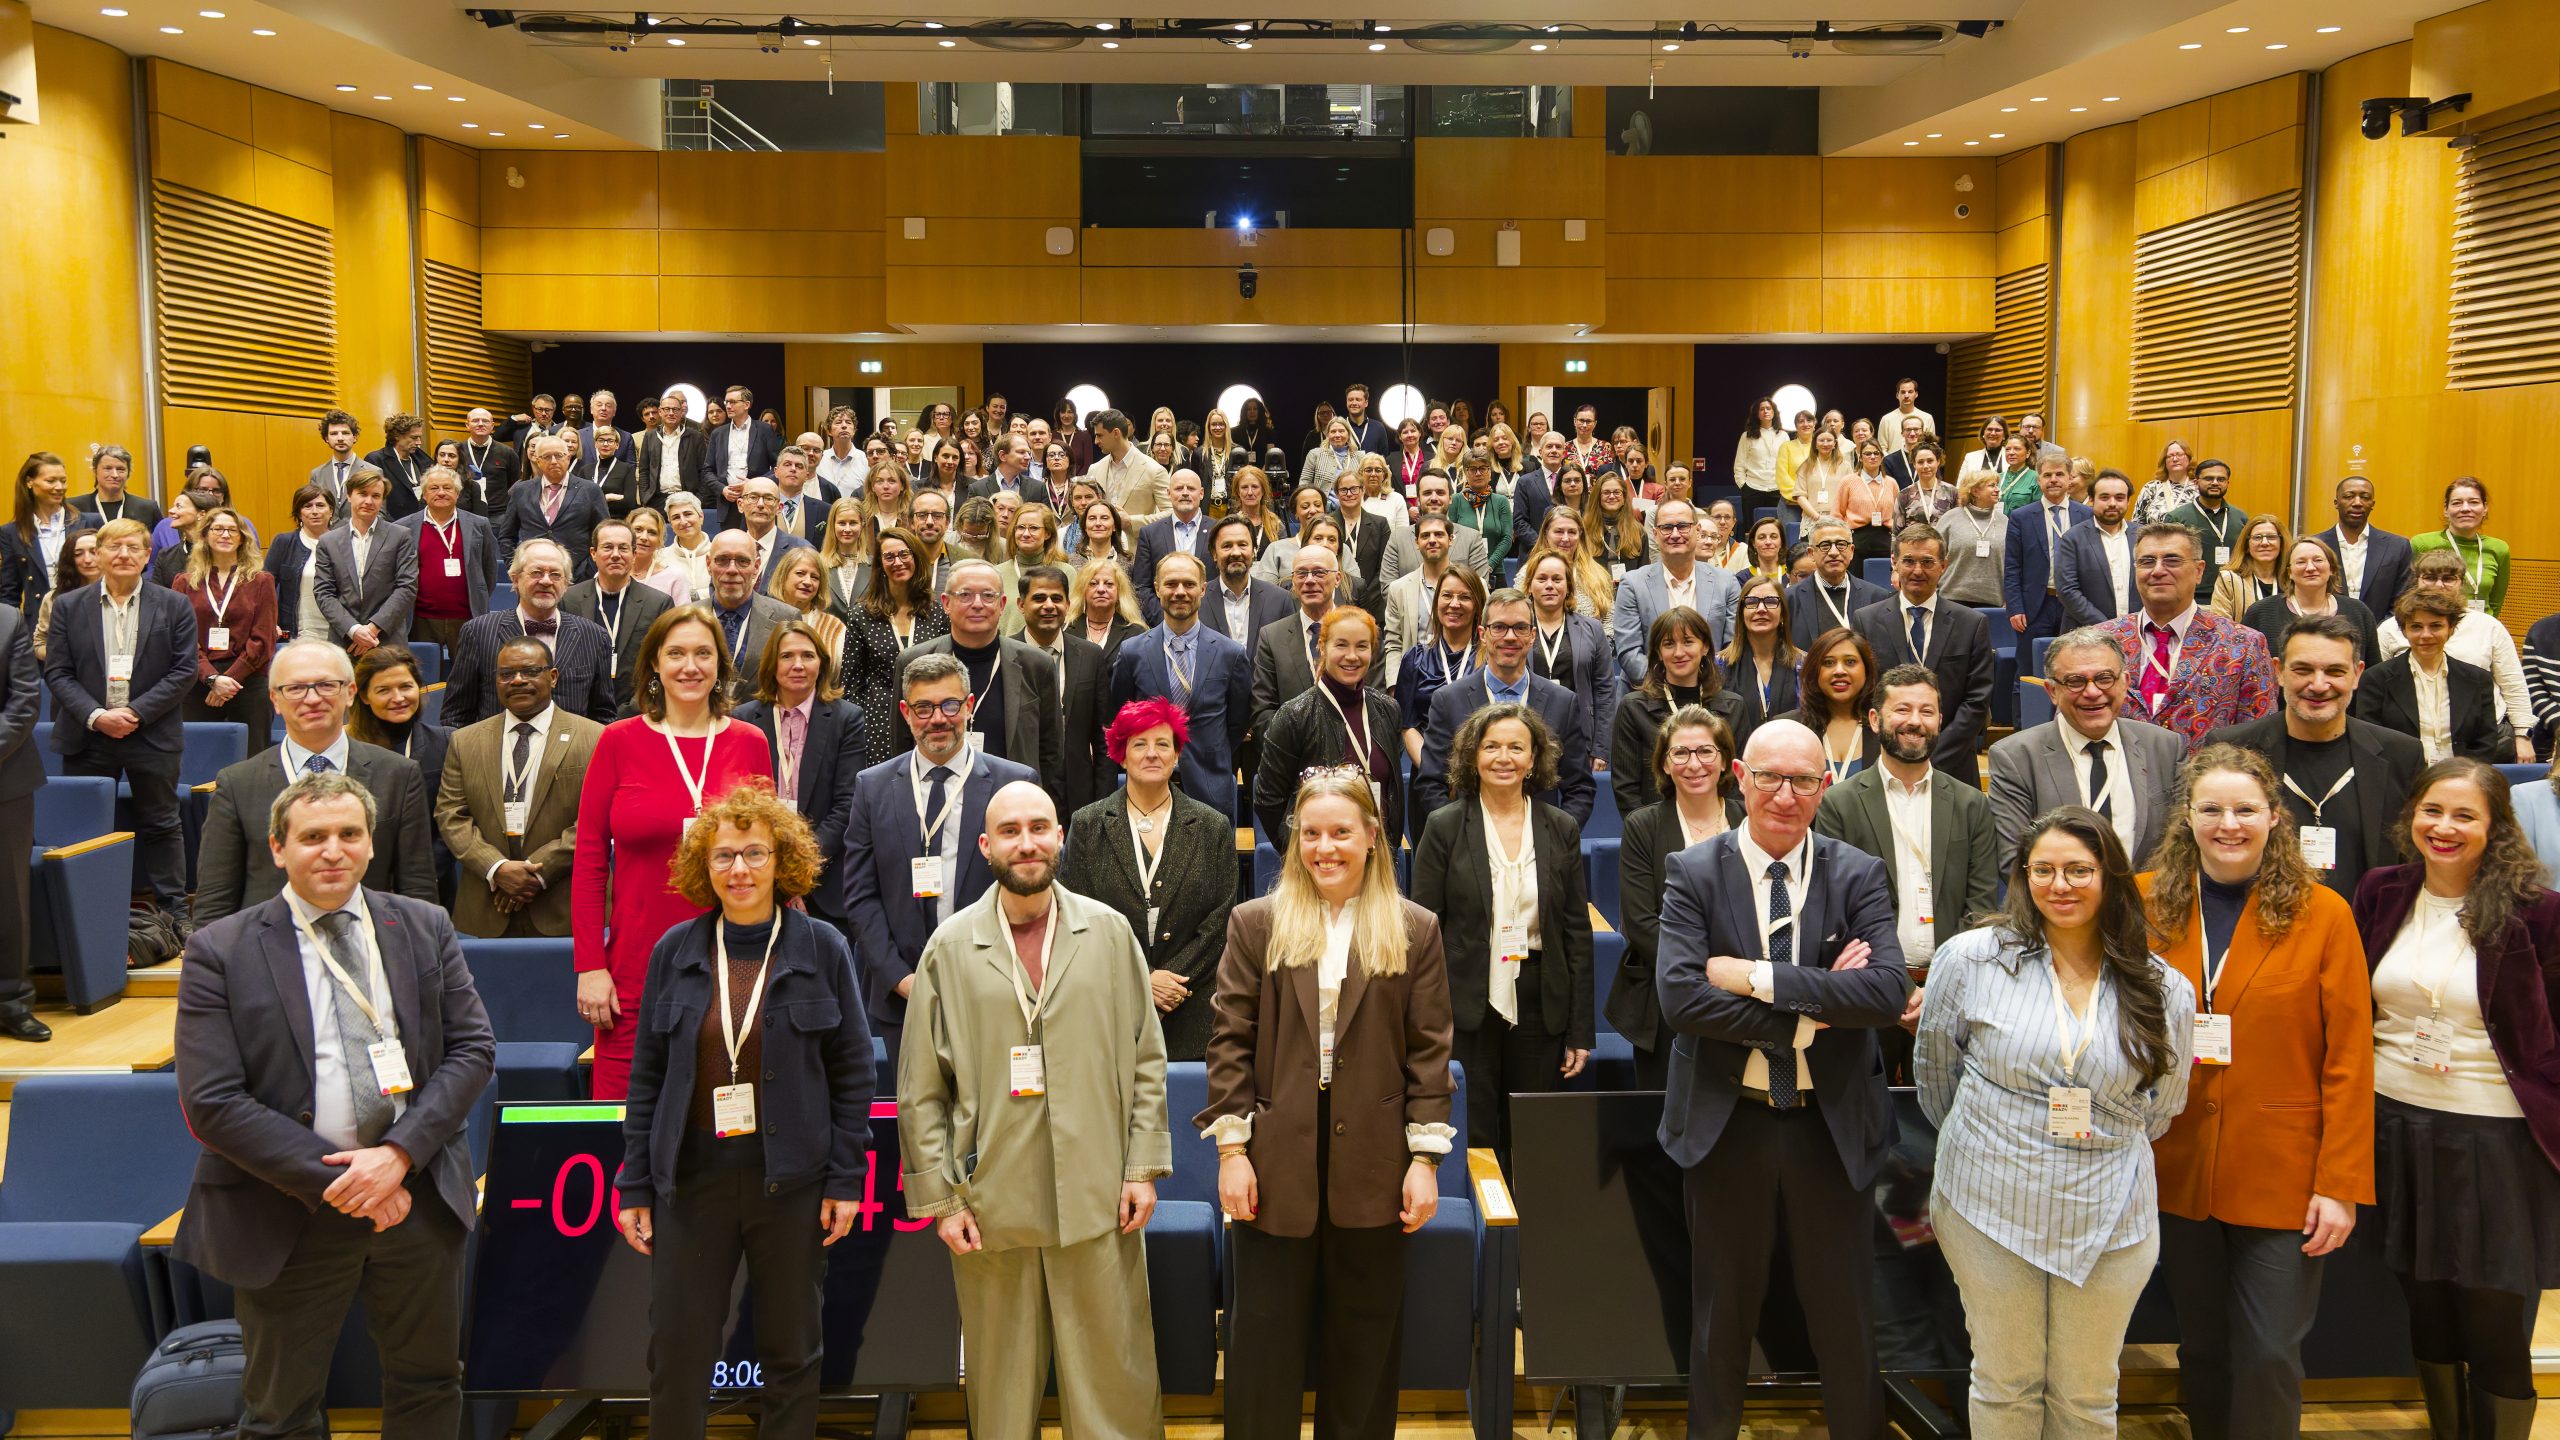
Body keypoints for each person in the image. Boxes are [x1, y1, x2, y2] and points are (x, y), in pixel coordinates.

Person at [172, 771, 495, 1440]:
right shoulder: (221, 950)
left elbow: (472, 1051)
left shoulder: (424, 926)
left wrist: (398, 1158)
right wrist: (352, 1181)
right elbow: (213, 1101)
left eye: (350, 834)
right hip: (288, 1207)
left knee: (431, 1385)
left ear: (371, 845)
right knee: (279, 1411)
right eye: (313, 836)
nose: (333, 850)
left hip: (418, 1197)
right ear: (277, 848)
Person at [1656, 717, 1911, 1440]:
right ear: (1741, 777)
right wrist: (1809, 1010)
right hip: (1726, 1123)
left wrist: (1756, 977)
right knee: (1719, 1321)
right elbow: (1681, 1000)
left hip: (1829, 1126)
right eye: (1769, 776)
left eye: (1803, 780)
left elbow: (1886, 993)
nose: (1785, 795)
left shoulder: (1856, 870)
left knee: (1846, 1323)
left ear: (1824, 786)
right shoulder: (1694, 872)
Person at [900, 779, 1170, 1440]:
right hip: (991, 1199)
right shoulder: (950, 949)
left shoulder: (1108, 935)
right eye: (1012, 831)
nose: (1027, 843)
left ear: (1060, 837)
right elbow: (921, 1090)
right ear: (987, 845)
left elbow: (1146, 1061)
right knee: (1000, 1391)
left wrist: (1141, 1167)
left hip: (1099, 1191)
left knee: (1115, 1382)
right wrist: (944, 1200)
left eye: (1039, 827)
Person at [1915, 807, 2193, 1440]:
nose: (2059, 885)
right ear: (2022, 875)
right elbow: (1937, 1076)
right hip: (1988, 1201)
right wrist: (1999, 1135)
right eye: (2043, 869)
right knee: (2004, 1384)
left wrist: (2093, 1141)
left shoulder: (2161, 985)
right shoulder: (1971, 959)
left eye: (2078, 870)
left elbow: (2165, 1104)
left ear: (2111, 877)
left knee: (2088, 1395)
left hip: (2110, 1211)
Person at [613, 780, 875, 1440]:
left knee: (791, 1351)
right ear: (703, 867)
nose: (740, 869)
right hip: (691, 1179)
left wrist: (847, 1178)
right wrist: (634, 1181)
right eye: (724, 855)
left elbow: (852, 1073)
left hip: (790, 1178)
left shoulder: (823, 948)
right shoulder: (675, 950)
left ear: (782, 861)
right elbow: (646, 1078)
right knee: (677, 1351)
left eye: (755, 853)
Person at [1200, 770, 1456, 1440]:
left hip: (1375, 1162)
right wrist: (1233, 1150)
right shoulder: (1255, 923)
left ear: (1372, 837)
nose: (1325, 848)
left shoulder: (1415, 928)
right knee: (1262, 1349)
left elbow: (1430, 1052)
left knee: (1364, 1349)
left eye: (1341, 832)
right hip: (1274, 1158)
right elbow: (1229, 1041)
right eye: (1311, 834)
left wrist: (1424, 1161)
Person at [2134, 744, 2373, 1440]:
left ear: (2275, 817)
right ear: (2189, 818)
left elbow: (2350, 1059)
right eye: (2212, 809)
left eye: (2245, 809)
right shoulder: (2144, 899)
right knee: (2203, 1349)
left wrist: (2341, 1183)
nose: (2228, 824)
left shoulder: (2325, 914)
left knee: (2269, 1352)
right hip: (2175, 1166)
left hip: (2286, 1173)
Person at [2352, 759, 2560, 1439]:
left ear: (2495, 826)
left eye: (2465, 815)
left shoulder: (2539, 911)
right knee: (2428, 1307)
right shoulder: (2380, 892)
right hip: (2395, 1126)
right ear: (2411, 815)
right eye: (2432, 810)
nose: (2444, 827)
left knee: (2495, 1318)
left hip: (2496, 1137)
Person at [572, 606, 776, 1100]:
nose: (691, 666)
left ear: (720, 667)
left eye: (704, 653)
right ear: (654, 667)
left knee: (723, 1111)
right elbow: (589, 859)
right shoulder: (618, 740)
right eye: (677, 653)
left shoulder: (749, 742)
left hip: (734, 959)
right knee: (625, 1114)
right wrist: (589, 966)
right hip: (635, 963)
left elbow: (772, 859)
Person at [1411, 703, 1592, 1161]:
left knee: (1532, 1134)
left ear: (1535, 759)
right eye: (1492, 746)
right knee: (1472, 1130)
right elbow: (1422, 931)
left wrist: (1579, 1029)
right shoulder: (1445, 825)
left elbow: (1575, 933)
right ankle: (1485, 1228)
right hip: (1464, 996)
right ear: (1474, 756)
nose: (1504, 757)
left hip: (1539, 996)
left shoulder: (1561, 827)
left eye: (1517, 747)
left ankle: (1528, 1229)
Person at [843, 653, 1039, 1068]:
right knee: (917, 1123)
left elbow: (1030, 893)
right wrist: (901, 979)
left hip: (994, 989)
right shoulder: (872, 787)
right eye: (924, 708)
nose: (938, 719)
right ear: (905, 713)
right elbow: (860, 897)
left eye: (950, 705)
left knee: (993, 1123)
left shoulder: (1014, 782)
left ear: (969, 708)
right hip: (903, 998)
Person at [193, 639, 437, 927]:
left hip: (366, 952)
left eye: (326, 685)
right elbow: (214, 906)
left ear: (350, 693)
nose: (312, 699)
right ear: (275, 700)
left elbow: (418, 890)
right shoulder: (237, 784)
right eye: (295, 688)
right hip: (268, 957)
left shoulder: (399, 774)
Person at [1811, 664, 2001, 1012]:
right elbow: (1835, 906)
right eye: (1902, 709)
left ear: (1939, 721)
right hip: (1866, 988)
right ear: (1873, 719)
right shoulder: (1839, 804)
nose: (1915, 721)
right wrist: (1893, 986)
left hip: (1952, 989)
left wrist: (1943, 984)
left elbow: (1981, 908)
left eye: (1926, 711)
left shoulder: (1971, 803)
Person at [1059, 699, 1236, 1061]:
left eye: (1162, 744)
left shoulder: (1212, 826)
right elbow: (1077, 917)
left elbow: (1220, 921)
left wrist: (1172, 980)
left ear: (1177, 756)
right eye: (1139, 744)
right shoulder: (1088, 824)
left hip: (1192, 1002)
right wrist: (1142, 978)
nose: (1151, 754)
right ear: (1121, 756)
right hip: (1111, 1003)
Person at [2206, 613, 2425, 900]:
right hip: (2257, 926)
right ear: (2279, 672)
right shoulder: (2231, 749)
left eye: (2335, 671)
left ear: (2357, 674)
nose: (2319, 685)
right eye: (2303, 670)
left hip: (2365, 936)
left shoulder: (2402, 755)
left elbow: (2413, 863)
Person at [42, 517, 194, 918]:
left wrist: (135, 713)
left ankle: (174, 914)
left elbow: (183, 671)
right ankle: (90, 914)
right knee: (87, 830)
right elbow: (57, 672)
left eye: (133, 547)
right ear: (99, 555)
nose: (124, 554)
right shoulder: (69, 606)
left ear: (148, 555)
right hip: (87, 735)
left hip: (152, 733)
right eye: (114, 547)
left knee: (162, 824)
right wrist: (95, 715)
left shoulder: (174, 604)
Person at [435, 637, 603, 939]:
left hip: (566, 907)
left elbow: (597, 820)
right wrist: (497, 868)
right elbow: (451, 815)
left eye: (530, 671)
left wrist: (536, 872)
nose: (517, 681)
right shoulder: (465, 741)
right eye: (506, 674)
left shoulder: (594, 737)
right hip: (485, 910)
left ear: (552, 677)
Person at [1612, 706, 1744, 1085]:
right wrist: (1708, 973)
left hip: (1746, 994)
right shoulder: (1644, 825)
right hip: (1667, 995)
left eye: (1705, 751)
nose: (1694, 763)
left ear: (1724, 762)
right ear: (1665, 765)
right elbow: (1640, 924)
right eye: (1680, 753)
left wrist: (1740, 976)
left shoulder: (1749, 820)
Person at [1987, 627, 2188, 867]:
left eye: (2104, 678)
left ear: (2124, 683)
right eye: (2075, 681)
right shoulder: (2016, 758)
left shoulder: (2165, 747)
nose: (2092, 692)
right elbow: (2015, 862)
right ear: (2052, 691)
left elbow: (2181, 849)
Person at [1414, 587, 1594, 826]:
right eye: (1499, 627)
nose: (1510, 637)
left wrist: (1555, 838)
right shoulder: (1448, 700)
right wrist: (1461, 837)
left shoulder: (1563, 702)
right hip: (1470, 848)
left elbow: (1579, 788)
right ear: (1482, 634)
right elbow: (1430, 784)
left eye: (1519, 628)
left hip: (1540, 849)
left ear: (1532, 636)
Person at [733, 621, 864, 938]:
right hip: (754, 874)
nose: (798, 665)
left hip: (824, 881)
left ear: (822, 662)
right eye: (787, 656)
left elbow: (847, 806)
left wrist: (797, 871)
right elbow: (738, 803)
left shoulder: (847, 718)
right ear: (772, 664)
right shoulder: (743, 719)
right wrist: (769, 868)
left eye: (808, 655)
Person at [2097, 524, 2276, 750]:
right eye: (2147, 561)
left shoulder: (2243, 644)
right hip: (2118, 780)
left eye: (2172, 560)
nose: (2158, 570)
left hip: (2204, 780)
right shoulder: (2101, 641)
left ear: (2199, 571)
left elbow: (2260, 738)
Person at [892, 558, 1063, 789]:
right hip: (935, 795)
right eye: (965, 595)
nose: (977, 604)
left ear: (1002, 604)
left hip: (1011, 799)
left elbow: (1051, 753)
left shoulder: (1036, 664)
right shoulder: (913, 661)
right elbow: (902, 747)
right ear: (946, 603)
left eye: (988, 595)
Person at [1253, 606, 1406, 862]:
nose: (1352, 656)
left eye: (1362, 646)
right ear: (1322, 647)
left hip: (1378, 859)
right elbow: (1268, 801)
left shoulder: (1388, 710)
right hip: (1322, 861)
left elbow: (1392, 789)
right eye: (1341, 645)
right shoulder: (1294, 716)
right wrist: (1304, 857)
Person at [1109, 553, 1251, 822]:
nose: (1180, 592)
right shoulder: (1133, 652)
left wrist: (1209, 748)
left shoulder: (1230, 654)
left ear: (1203, 588)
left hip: (1209, 789)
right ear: (1157, 588)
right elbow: (1120, 714)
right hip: (1147, 789)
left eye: (1188, 584)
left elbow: (1237, 723)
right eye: (1171, 584)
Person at [1852, 525, 1993, 786]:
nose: (1917, 570)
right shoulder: (1866, 620)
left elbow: (1976, 701)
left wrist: (1932, 754)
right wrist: (1897, 749)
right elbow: (1863, 695)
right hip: (1886, 762)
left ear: (1944, 565)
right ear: (1894, 563)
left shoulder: (1972, 624)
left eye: (1928, 562)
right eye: (1908, 561)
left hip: (1952, 765)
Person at [440, 540, 619, 730]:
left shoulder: (594, 637)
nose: (546, 581)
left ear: (566, 584)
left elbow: (603, 716)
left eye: (556, 574)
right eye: (537, 572)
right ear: (515, 578)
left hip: (571, 757)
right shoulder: (478, 632)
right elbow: (456, 716)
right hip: (497, 755)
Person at [2379, 549, 2536, 759]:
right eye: (2430, 577)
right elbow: (2380, 684)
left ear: (2461, 583)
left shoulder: (2488, 626)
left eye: (2448, 578)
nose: (2439, 585)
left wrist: (2522, 735)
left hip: (2481, 739)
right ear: (2417, 581)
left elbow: (2512, 683)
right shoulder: (2391, 628)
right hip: (2411, 739)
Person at [1611, 605, 1744, 817]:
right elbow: (1626, 788)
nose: (1679, 652)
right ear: (1658, 652)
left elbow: (1738, 782)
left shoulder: (1733, 707)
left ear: (1705, 647)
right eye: (1669, 644)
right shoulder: (1633, 708)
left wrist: (1723, 828)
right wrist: (1647, 831)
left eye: (1688, 642)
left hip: (1720, 830)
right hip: (1656, 831)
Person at [842, 526, 950, 769]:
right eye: (889, 557)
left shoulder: (937, 612)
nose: (898, 562)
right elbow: (852, 683)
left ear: (916, 558)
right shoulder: (862, 614)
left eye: (904, 554)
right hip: (878, 724)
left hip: (931, 718)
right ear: (880, 565)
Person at [2360, 588, 2506, 764]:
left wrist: (2458, 777)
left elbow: (2485, 743)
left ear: (2451, 628)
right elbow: (2372, 741)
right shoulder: (2376, 680)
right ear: (2404, 631)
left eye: (2436, 626)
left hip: (2461, 778)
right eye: (2416, 627)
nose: (2426, 635)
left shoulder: (2478, 679)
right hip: (2399, 780)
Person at [173, 505, 277, 740]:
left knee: (253, 761)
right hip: (198, 681)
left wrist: (229, 680)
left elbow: (263, 638)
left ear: (242, 538)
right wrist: (212, 679)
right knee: (199, 762)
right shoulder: (184, 583)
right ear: (205, 535)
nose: (225, 535)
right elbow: (181, 639)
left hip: (247, 681)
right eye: (218, 529)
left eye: (232, 530)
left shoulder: (261, 581)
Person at [1611, 498, 1740, 686]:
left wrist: (1701, 685)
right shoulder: (1632, 584)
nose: (1675, 534)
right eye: (1666, 527)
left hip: (1711, 694)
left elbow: (1732, 647)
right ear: (1655, 534)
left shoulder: (1726, 582)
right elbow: (1629, 652)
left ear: (1697, 531)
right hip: (1650, 697)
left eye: (1683, 526)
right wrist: (1670, 687)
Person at [1521, 550, 1620, 764]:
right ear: (1529, 586)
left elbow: (1605, 691)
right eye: (1542, 579)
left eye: (1557, 579)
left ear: (1568, 587)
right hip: (1526, 738)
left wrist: (1601, 749)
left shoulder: (1592, 629)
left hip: (1578, 737)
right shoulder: (1518, 629)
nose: (1550, 585)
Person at [314, 469, 419, 660]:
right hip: (344, 641)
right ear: (349, 496)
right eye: (362, 494)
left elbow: (406, 587)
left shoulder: (400, 536)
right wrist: (353, 630)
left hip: (386, 640)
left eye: (376, 496)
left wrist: (372, 629)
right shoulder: (328, 541)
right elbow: (323, 593)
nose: (369, 501)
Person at [395, 467, 500, 653]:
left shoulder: (479, 525)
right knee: (423, 677)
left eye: (447, 487)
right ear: (424, 494)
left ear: (457, 493)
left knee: (468, 677)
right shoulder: (403, 528)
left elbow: (489, 571)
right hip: (420, 619)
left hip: (467, 618)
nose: (441, 492)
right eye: (434, 488)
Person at [0, 599, 43, 1042]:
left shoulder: (8, 619)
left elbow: (25, 700)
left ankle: (12, 1002)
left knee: (9, 899)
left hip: (4, 779)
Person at [2241, 535, 2383, 665]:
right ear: (2289, 572)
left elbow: (2373, 675)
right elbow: (2245, 667)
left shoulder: (2359, 612)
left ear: (2332, 568)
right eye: (2301, 562)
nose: (2310, 568)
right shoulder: (2260, 613)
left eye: (2318, 560)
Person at [2002, 455, 2091, 654]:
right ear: (2038, 480)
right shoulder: (2021, 517)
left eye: (2060, 474)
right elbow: (2012, 566)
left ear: (2070, 479)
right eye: (2047, 475)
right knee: (2029, 669)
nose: (2053, 479)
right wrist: (2015, 608)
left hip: (2075, 605)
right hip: (2035, 606)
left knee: (2073, 665)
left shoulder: (2087, 515)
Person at [702, 530, 803, 700]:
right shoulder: (685, 618)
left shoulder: (786, 618)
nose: (732, 569)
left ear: (756, 567)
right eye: (722, 560)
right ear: (708, 564)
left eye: (742, 561)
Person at [500, 435, 610, 581]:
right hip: (531, 578)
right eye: (546, 457)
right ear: (537, 461)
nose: (553, 461)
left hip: (577, 578)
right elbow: (506, 536)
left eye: (559, 455)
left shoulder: (590, 490)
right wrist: (516, 568)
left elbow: (604, 535)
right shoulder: (521, 490)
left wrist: (589, 570)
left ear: (568, 456)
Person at [2, 451, 94, 614]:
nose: (59, 487)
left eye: (63, 481)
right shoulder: (11, 532)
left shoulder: (90, 522)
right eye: (50, 481)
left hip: (85, 615)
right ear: (29, 482)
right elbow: (9, 593)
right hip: (39, 624)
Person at [2310, 474, 2413, 619]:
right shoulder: (2314, 545)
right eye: (2348, 496)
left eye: (2365, 497)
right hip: (2325, 634)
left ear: (2372, 504)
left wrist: (2377, 634)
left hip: (2381, 636)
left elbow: (2404, 600)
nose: (2357, 502)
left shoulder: (2397, 547)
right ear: (2336, 502)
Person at [2408, 477, 2510, 618]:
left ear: (2485, 508)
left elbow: (2496, 602)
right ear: (2446, 510)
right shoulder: (2422, 543)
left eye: (2473, 502)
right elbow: (2410, 593)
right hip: (2436, 626)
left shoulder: (2499, 549)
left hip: (2481, 629)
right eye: (2457, 503)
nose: (2465, 509)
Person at [1789, 518, 1891, 651]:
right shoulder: (1790, 599)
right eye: (1825, 545)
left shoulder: (1877, 598)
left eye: (1841, 544)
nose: (1833, 552)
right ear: (1811, 553)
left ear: (1852, 551)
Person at [2057, 467, 2140, 627]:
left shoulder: (2143, 536)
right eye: (2104, 497)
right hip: (2086, 635)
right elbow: (2068, 591)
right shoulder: (2073, 538)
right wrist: (2108, 627)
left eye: (2119, 497)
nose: (2112, 503)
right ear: (2092, 500)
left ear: (2128, 501)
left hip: (2136, 633)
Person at [2209, 513, 2289, 620]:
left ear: (2281, 543)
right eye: (2257, 537)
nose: (2264, 543)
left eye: (2271, 537)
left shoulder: (2292, 579)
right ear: (2247, 545)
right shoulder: (2228, 580)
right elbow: (2220, 626)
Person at [72, 443, 161, 531]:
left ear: (128, 473)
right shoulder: (75, 508)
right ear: (95, 471)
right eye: (108, 468)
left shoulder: (147, 508)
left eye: (120, 469)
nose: (115, 475)